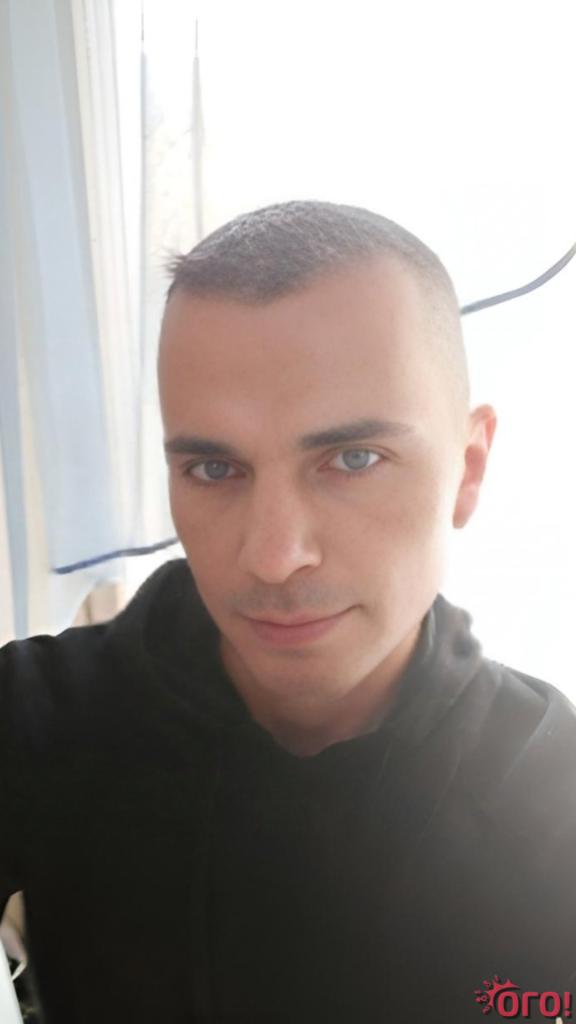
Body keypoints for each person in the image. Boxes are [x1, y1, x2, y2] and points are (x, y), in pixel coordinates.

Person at [1, 200, 575, 1023]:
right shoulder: (38, 719)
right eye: (214, 470)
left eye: (353, 458)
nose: (274, 557)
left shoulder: (551, 796)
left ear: (468, 467)